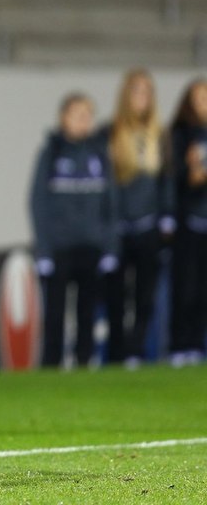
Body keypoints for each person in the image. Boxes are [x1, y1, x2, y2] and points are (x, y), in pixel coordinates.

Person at [30, 93, 119, 368]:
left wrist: (110, 246)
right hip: (60, 247)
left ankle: (84, 360)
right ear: (63, 118)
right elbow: (37, 201)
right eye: (77, 115)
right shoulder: (51, 153)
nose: (83, 121)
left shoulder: (99, 153)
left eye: (88, 115)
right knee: (55, 311)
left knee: (87, 309)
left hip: (91, 244)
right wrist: (43, 249)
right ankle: (51, 364)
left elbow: (111, 203)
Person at [101, 69, 173, 366]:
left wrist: (166, 217)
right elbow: (104, 185)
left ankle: (135, 350)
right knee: (116, 296)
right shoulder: (109, 133)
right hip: (118, 228)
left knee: (145, 295)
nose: (142, 97)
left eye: (147, 91)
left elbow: (167, 179)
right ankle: (116, 352)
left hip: (148, 226)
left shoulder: (160, 135)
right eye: (136, 90)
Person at [168, 77, 207, 366]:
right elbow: (177, 180)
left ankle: (197, 343)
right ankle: (180, 345)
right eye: (200, 98)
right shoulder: (180, 135)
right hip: (188, 223)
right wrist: (193, 170)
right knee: (186, 288)